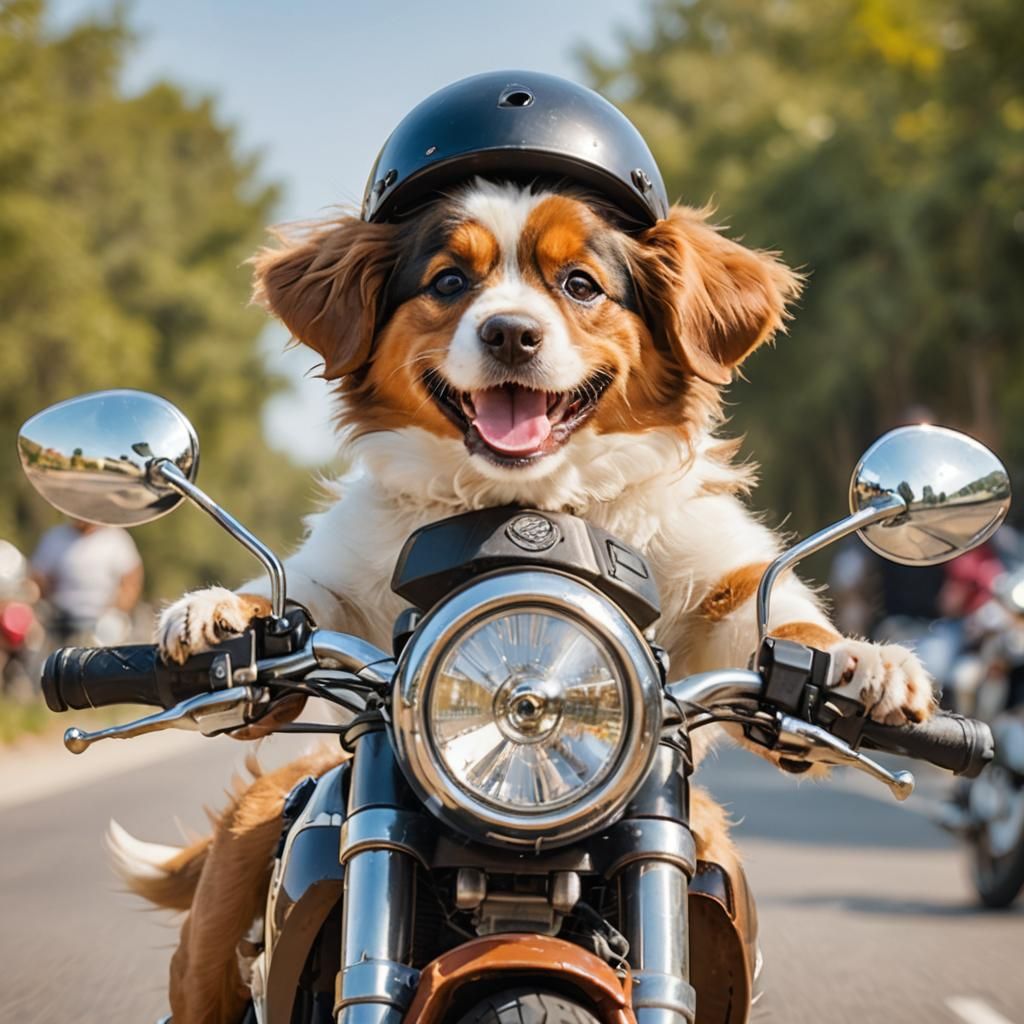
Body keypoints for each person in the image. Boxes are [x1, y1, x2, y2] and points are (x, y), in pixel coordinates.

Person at [31, 518, 143, 644]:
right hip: (62, 623)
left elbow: (130, 584)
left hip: (104, 626)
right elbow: (38, 578)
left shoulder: (117, 540)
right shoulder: (54, 538)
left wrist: (114, 613)